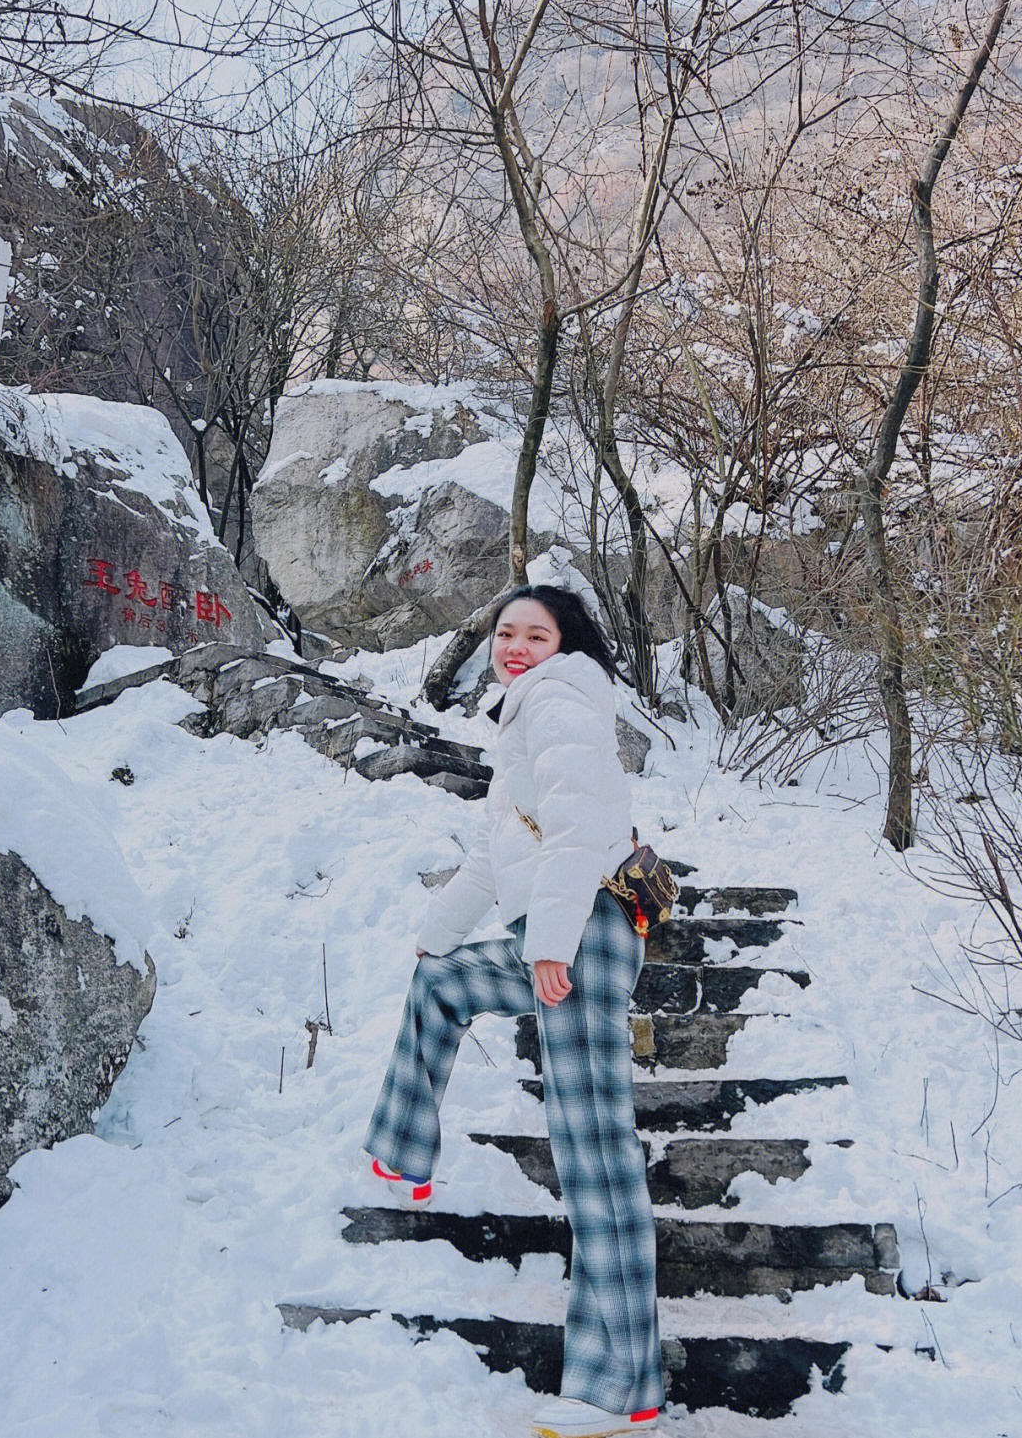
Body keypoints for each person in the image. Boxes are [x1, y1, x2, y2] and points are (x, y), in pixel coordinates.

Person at [362, 584, 664, 1438]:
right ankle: (402, 1149)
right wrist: (435, 936)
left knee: (597, 1158)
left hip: (580, 937)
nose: (516, 645)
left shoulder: (562, 700)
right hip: (560, 931)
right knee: (443, 983)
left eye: (537, 632)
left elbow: (574, 832)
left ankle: (618, 1388)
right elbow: (502, 864)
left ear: (566, 646)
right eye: (506, 632)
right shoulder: (525, 721)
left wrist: (552, 945)